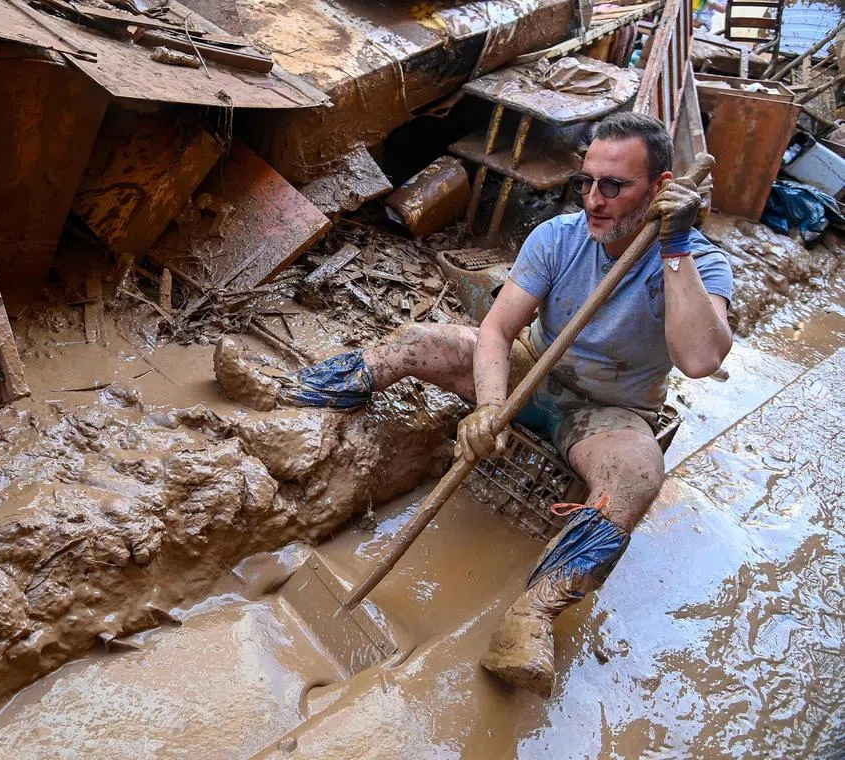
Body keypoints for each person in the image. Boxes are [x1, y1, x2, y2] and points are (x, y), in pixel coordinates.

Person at [213, 112, 733, 697]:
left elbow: (699, 359)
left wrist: (675, 248)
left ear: (660, 190)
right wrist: (488, 407)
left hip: (604, 413)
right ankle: (293, 397)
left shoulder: (697, 263)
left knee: (638, 475)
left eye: (614, 186)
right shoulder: (560, 237)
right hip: (530, 374)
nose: (593, 199)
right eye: (586, 181)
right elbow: (496, 330)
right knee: (423, 340)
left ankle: (532, 616)